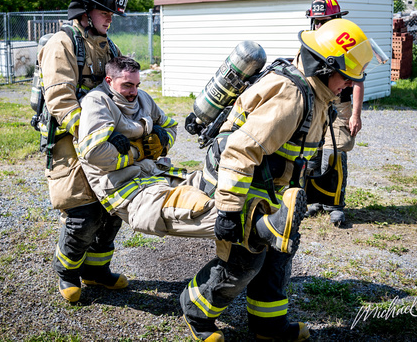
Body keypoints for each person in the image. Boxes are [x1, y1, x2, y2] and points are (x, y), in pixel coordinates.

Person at [180, 18, 381, 341]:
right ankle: (196, 311)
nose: (348, 85)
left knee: (278, 255)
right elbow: (240, 151)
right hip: (239, 185)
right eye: (345, 77)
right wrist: (230, 211)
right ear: (324, 66)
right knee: (244, 260)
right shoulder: (291, 97)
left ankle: (268, 326)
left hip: (270, 188)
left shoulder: (317, 95)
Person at [75, 56, 305, 266]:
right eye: (127, 85)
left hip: (156, 174)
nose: (134, 92)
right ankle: (263, 226)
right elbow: (95, 154)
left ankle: (265, 213)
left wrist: (161, 141)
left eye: (136, 85)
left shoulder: (142, 98)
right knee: (191, 207)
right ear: (109, 80)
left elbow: (170, 126)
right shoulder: (97, 102)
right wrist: (138, 152)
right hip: (126, 188)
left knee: (208, 183)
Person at [38, 0, 130, 303]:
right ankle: (67, 272)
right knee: (83, 213)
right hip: (68, 142)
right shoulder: (62, 44)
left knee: (113, 208)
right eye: (104, 11)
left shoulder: (109, 46)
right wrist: (92, 136)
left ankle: (96, 271)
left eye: (111, 12)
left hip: (101, 142)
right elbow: (61, 98)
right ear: (85, 11)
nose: (110, 18)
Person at [305, 0, 364, 226]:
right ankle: (313, 201)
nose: (320, 26)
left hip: (340, 103)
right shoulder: (310, 41)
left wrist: (356, 114)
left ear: (336, 19)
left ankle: (335, 205)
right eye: (317, 21)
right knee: (312, 151)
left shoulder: (347, 42)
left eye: (325, 21)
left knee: (335, 151)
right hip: (316, 101)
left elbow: (358, 80)